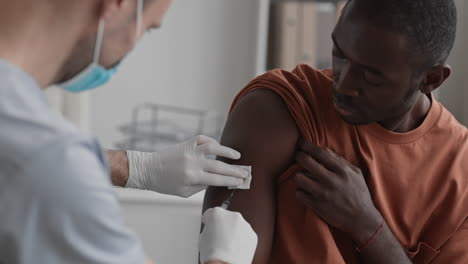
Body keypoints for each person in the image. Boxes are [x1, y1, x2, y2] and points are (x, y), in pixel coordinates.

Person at [203, 0, 468, 263]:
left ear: (431, 79)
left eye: (371, 75)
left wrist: (369, 228)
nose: (344, 85)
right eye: (340, 53)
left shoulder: (461, 171)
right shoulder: (280, 107)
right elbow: (227, 256)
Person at [0, 0, 257, 263]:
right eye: (147, 28)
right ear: (119, 4)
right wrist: (225, 260)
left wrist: (133, 167)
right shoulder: (50, 164)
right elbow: (41, 164)